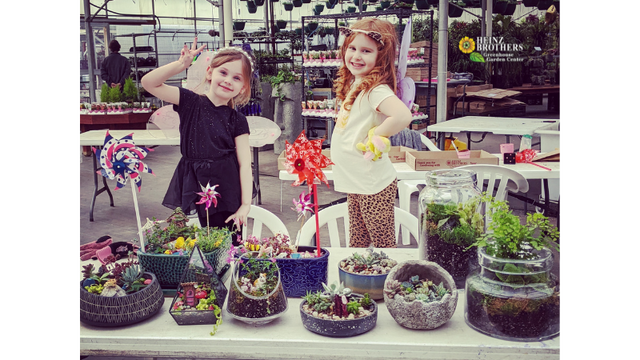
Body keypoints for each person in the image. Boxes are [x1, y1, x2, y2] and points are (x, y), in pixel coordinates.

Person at [141, 38, 253, 243]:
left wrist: (246, 204)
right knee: (190, 241)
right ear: (210, 72)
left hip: (226, 188)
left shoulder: (237, 120)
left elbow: (245, 165)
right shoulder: (190, 101)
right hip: (192, 182)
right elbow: (148, 83)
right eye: (223, 72)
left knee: (227, 244)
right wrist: (181, 65)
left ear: (243, 87)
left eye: (237, 78)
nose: (228, 80)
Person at [330, 18, 412, 248]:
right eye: (352, 48)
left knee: (383, 245)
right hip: (357, 181)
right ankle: (362, 281)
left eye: (366, 51)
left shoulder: (376, 89)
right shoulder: (359, 83)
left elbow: (403, 116)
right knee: (358, 242)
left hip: (372, 184)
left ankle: (387, 282)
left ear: (381, 56)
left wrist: (375, 137)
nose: (356, 56)